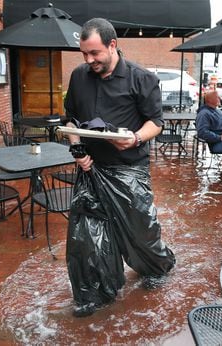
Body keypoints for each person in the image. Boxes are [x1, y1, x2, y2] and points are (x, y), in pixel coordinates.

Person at [63, 18, 175, 317]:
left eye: (95, 53)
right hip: (90, 169)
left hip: (129, 169)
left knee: (141, 232)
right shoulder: (78, 76)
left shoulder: (141, 78)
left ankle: (157, 267)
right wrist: (77, 149)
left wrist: (136, 137)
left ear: (113, 45)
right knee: (86, 236)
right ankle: (96, 293)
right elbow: (71, 120)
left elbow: (156, 123)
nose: (89, 60)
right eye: (84, 54)